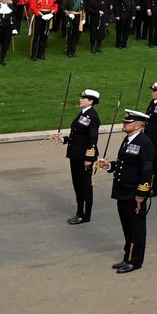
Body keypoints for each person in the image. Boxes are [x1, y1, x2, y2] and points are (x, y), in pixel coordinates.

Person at [97, 109, 154, 273]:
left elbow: (147, 170)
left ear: (137, 125)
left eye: (127, 122)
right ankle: (127, 257)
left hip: (134, 193)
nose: (124, 124)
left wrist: (142, 193)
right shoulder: (128, 140)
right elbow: (125, 164)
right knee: (127, 226)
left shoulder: (145, 143)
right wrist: (109, 166)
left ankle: (135, 261)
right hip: (123, 190)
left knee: (136, 228)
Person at [55, 89, 102, 224]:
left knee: (84, 186)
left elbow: (93, 138)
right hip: (75, 155)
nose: (81, 100)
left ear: (91, 101)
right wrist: (63, 140)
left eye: (84, 98)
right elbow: (77, 135)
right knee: (77, 185)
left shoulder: (92, 116)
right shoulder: (83, 114)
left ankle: (85, 214)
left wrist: (88, 158)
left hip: (83, 157)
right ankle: (79, 211)